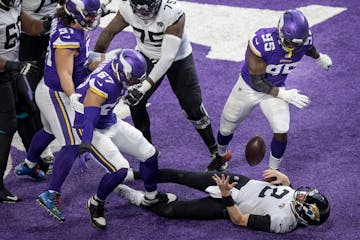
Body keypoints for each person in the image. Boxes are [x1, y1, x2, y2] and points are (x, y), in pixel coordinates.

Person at [93, 0, 231, 172]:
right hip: (146, 55)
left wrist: (143, 88)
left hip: (177, 59)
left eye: (148, 8)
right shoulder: (127, 8)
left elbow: (167, 58)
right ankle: (147, 151)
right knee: (136, 103)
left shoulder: (172, 11)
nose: (144, 12)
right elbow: (109, 32)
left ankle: (216, 152)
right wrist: (95, 61)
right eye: (139, 8)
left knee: (192, 108)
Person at [68, 49, 176, 229]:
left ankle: (151, 197)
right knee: (120, 170)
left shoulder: (116, 63)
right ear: (121, 70)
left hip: (109, 120)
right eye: (132, 78)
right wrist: (85, 144)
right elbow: (90, 118)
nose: (133, 82)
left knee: (150, 154)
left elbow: (96, 60)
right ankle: (96, 202)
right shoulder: (102, 86)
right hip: (91, 128)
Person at [215, 9, 333, 170]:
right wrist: (284, 95)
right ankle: (221, 157)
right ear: (280, 32)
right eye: (290, 42)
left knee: (282, 129)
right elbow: (257, 82)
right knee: (226, 127)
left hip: (275, 87)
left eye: (297, 44)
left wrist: (319, 58)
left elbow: (308, 47)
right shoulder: (262, 43)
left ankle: (273, 173)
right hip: (249, 87)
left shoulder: (304, 41)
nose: (292, 47)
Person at [116, 168, 330, 233]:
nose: (300, 193)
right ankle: (134, 175)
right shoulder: (293, 200)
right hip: (240, 183)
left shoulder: (283, 222)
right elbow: (285, 195)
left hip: (228, 205)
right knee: (182, 176)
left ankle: (138, 198)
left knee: (170, 211)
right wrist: (286, 180)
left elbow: (238, 219)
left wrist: (226, 196)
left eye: (303, 198)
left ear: (303, 215)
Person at [0, 0, 52, 203]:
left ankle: (31, 164)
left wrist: (50, 23)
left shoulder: (12, 5)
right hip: (3, 72)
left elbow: (30, 26)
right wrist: (15, 65)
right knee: (7, 127)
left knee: (27, 111)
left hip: (10, 71)